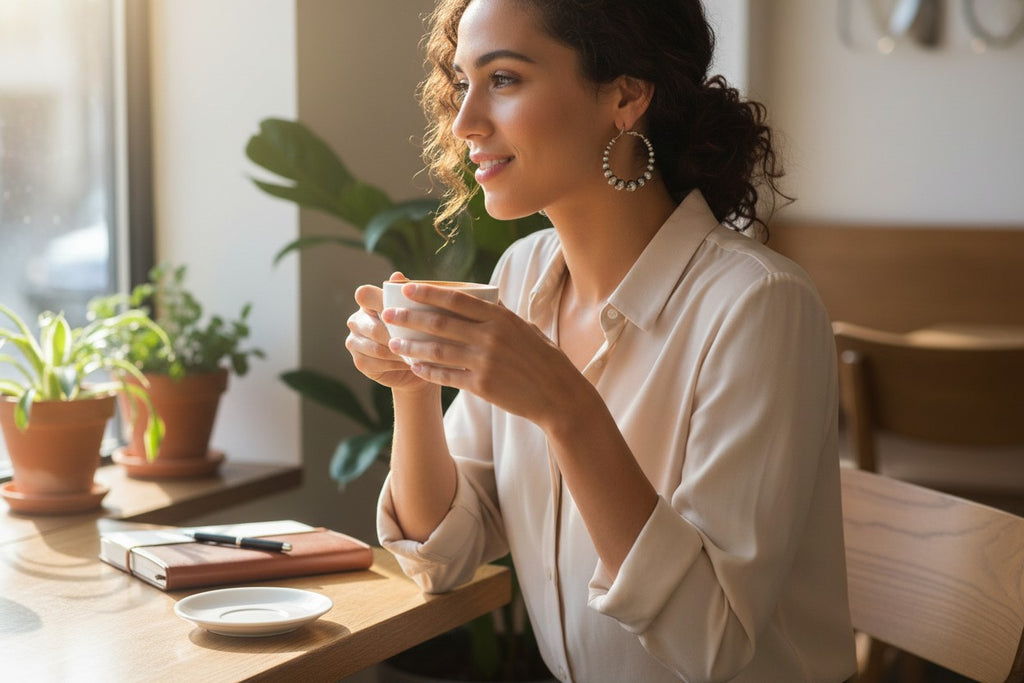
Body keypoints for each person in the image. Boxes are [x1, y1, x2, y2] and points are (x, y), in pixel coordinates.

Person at [345, 1, 857, 681]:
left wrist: (566, 405)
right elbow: (443, 554)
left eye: (503, 79)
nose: (464, 122)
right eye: (462, 81)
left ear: (625, 94)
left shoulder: (758, 306)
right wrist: (413, 388)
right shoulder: (523, 276)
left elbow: (711, 642)